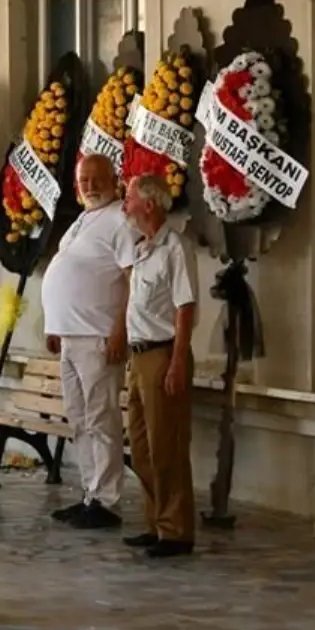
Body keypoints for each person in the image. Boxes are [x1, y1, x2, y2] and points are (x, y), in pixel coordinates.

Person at [41, 154, 136, 530]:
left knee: (102, 418)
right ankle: (90, 494)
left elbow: (132, 280)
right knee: (80, 420)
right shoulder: (82, 221)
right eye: (84, 180)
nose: (90, 186)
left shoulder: (120, 220)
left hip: (98, 337)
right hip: (69, 337)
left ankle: (107, 500)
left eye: (98, 179)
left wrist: (120, 331)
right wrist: (54, 322)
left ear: (115, 180)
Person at [120, 174, 198, 558]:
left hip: (164, 353)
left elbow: (185, 307)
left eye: (129, 198)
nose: (125, 205)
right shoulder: (141, 248)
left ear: (149, 205)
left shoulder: (175, 248)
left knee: (166, 444)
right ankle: (156, 521)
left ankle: (176, 530)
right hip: (138, 357)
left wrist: (178, 361)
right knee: (139, 447)